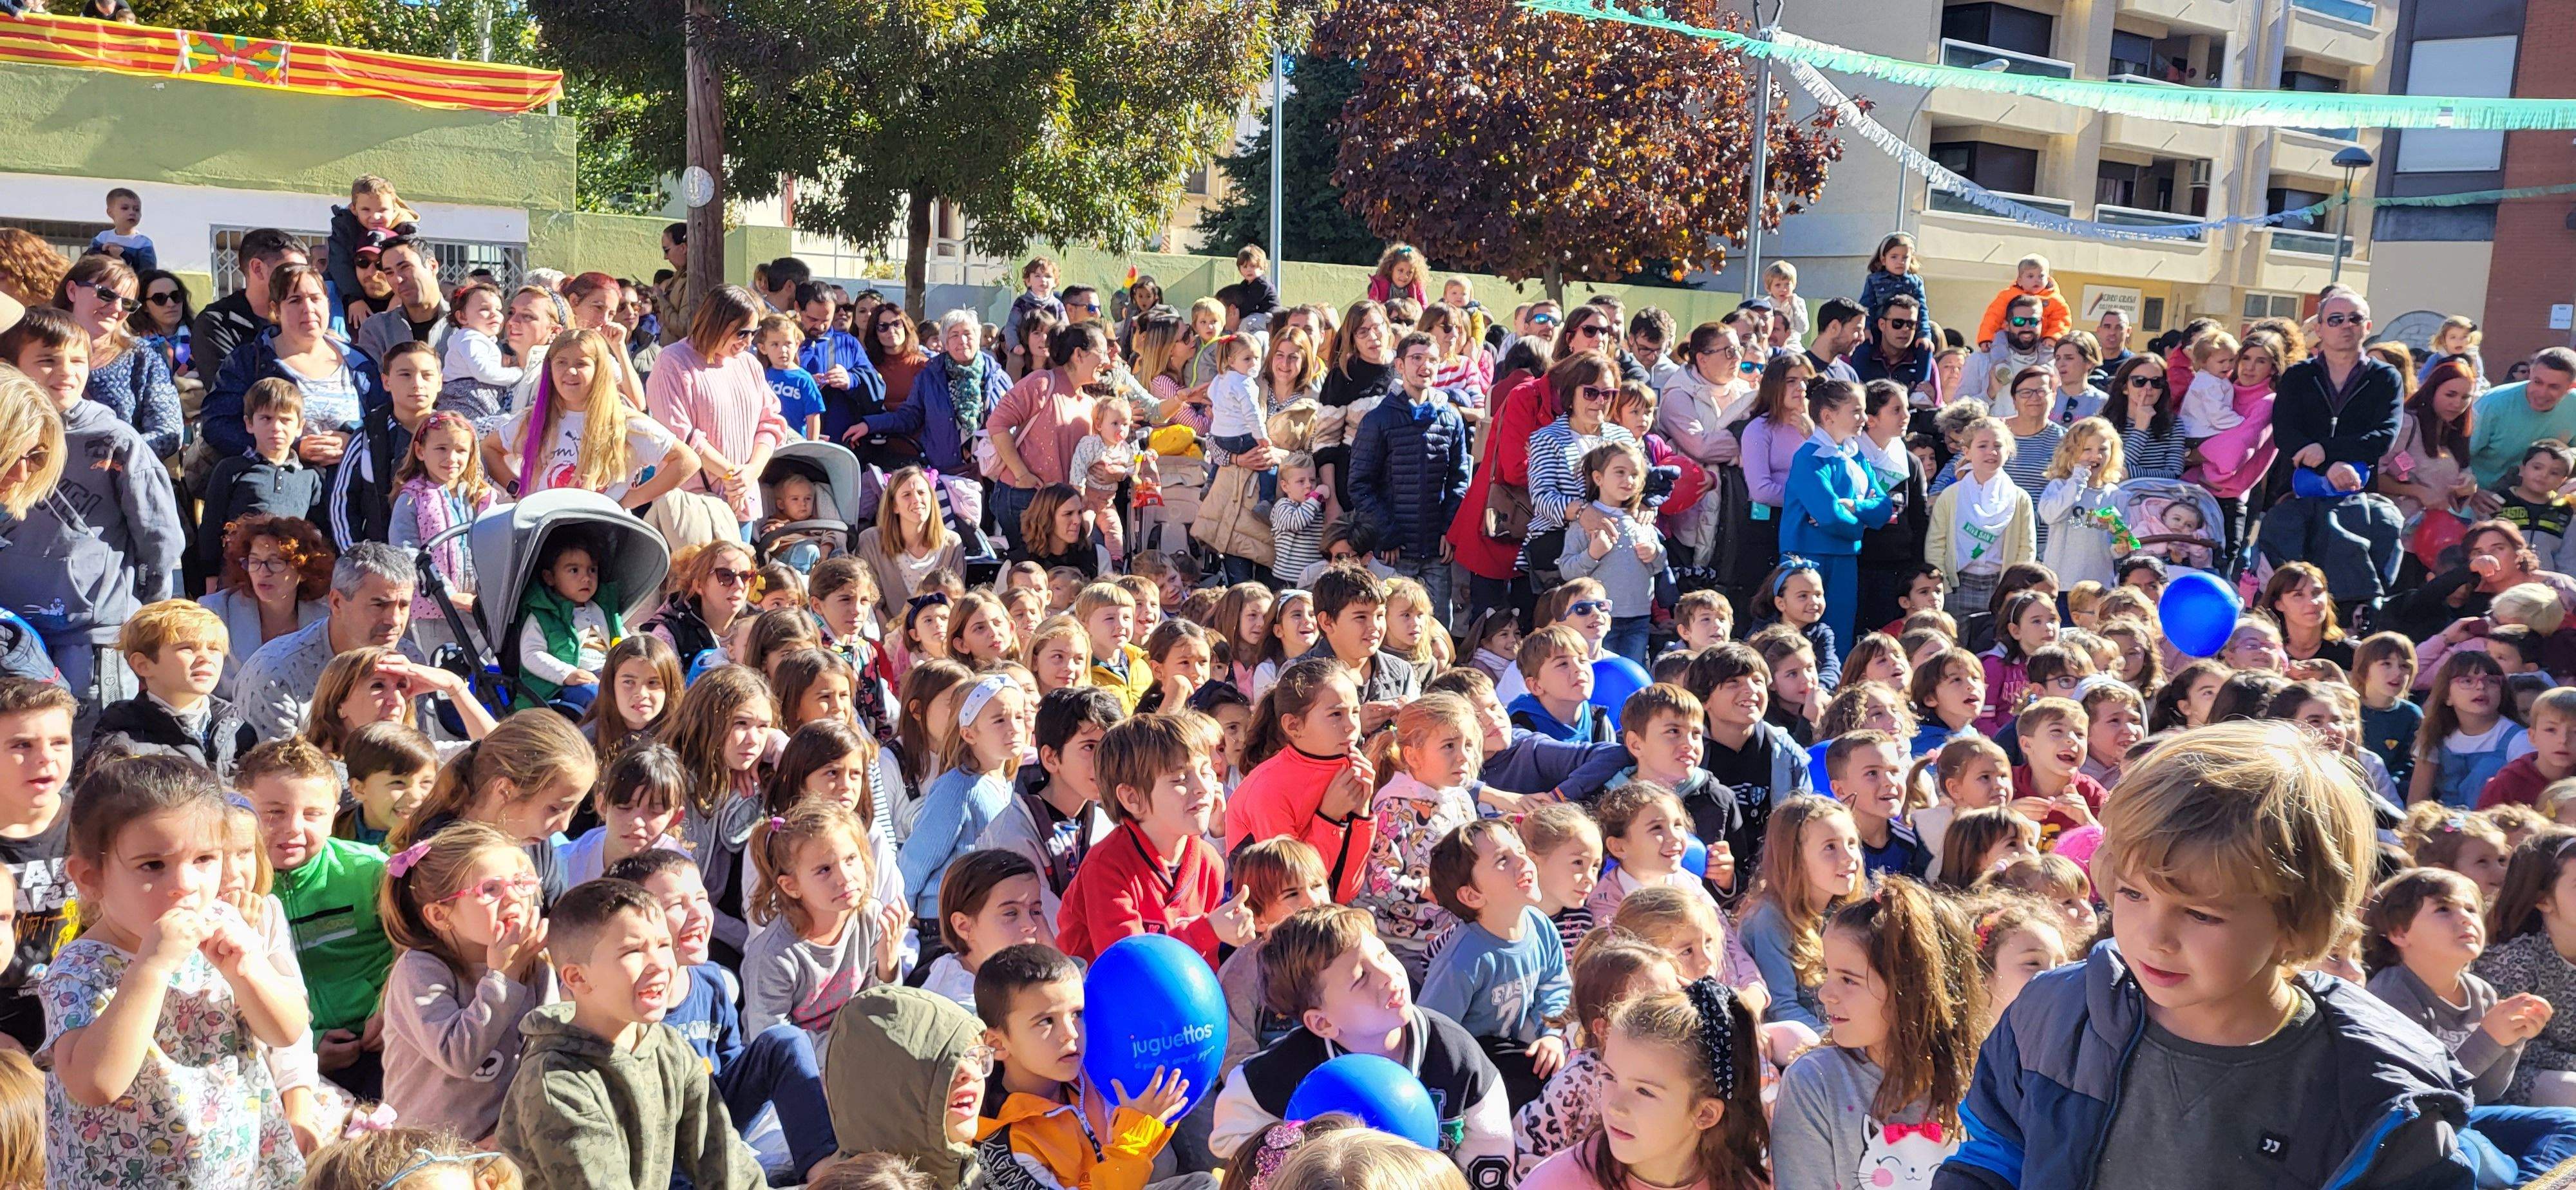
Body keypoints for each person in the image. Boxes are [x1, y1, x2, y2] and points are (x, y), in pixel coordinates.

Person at [1937, 722, 2480, 1189]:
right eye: (2132, 894)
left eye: (2201, 913)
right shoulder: (2052, 1019)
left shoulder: (2376, 1100)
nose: (2155, 937)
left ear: (2296, 921)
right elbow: (1995, 1155)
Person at [42, 757, 308, 1185]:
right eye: (153, 865)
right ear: (91, 878)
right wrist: (150, 969)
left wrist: (248, 972)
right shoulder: (81, 968)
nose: (185, 883)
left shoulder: (226, 923)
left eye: (205, 858)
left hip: (233, 1165)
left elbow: (287, 1030)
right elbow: (94, 1085)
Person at [495, 877, 766, 1189]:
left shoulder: (668, 1049)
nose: (659, 965)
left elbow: (726, 1165)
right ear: (577, 978)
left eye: (664, 945)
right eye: (633, 951)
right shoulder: (556, 1081)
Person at [1210, 904, 1511, 1175]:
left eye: (1382, 954)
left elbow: (1492, 1150)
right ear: (1322, 1022)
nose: (1387, 974)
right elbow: (1230, 1133)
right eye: (1361, 977)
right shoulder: (1291, 1068)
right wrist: (1291, 1162)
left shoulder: (1454, 1053)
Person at [610, 847, 838, 1182]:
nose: (698, 914)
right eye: (676, 905)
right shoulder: (632, 1004)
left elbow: (730, 1061)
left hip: (716, 1113)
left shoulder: (712, 980)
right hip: (666, 1141)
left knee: (785, 1041)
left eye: (701, 898)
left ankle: (823, 1171)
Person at [0, 319, 183, 734]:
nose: (66, 372)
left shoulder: (115, 438)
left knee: (89, 750)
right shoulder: (4, 435)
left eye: (78, 361)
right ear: (10, 365)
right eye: (47, 361)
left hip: (90, 631)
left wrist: (147, 615)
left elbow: (159, 534)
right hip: (11, 629)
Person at [1773, 877, 1983, 1190]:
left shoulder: (1983, 1081)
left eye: (1848, 980)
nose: (1824, 994)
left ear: (1911, 990)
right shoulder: (1815, 1083)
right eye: (1828, 972)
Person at [237, 737, 395, 1100]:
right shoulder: (231, 885)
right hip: (287, 1055)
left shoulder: (369, 871)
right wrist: (312, 1042)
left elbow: (415, 945)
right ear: (241, 806)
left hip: (380, 1043)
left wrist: (389, 1005)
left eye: (313, 814)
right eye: (274, 812)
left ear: (335, 813)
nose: (294, 828)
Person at [967, 942, 1196, 1190]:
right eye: (1046, 1021)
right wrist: (1135, 1141)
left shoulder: (1088, 1075)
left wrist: (1153, 1115)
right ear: (998, 1044)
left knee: (1202, 1185)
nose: (1071, 1033)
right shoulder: (1008, 1144)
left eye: (1077, 1014)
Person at [1515, 981, 1766, 1190]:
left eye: (1644, 1091)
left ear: (1705, 1114)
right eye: (1610, 1077)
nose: (1615, 1107)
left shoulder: (1743, 1184)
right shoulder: (1555, 1184)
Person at [1054, 712, 1255, 966]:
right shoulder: (1106, 866)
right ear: (1132, 798)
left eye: (1206, 772)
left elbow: (1207, 968)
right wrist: (1208, 930)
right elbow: (1130, 966)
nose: (1203, 787)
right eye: (1181, 778)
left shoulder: (1209, 863)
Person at [205, 261, 386, 485]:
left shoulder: (359, 364)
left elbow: (387, 423)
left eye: (316, 299)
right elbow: (217, 424)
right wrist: (290, 446)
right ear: (276, 310)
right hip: (280, 494)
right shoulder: (250, 362)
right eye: (295, 300)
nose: (308, 309)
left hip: (353, 496)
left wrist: (357, 443)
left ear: (328, 305)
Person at [231, 542, 421, 743]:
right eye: (379, 605)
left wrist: (454, 687)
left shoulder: (410, 659)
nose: (395, 620)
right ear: (337, 602)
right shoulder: (275, 674)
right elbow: (268, 769)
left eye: (403, 606)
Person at [648, 286, 792, 527]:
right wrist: (734, 476)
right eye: (742, 333)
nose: (748, 342)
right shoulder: (672, 361)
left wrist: (750, 473)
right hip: (691, 506)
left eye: (753, 333)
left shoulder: (750, 364)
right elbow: (679, 437)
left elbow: (771, 423)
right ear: (715, 323)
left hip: (742, 501)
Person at [1781, 379, 1895, 650]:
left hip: (1844, 556)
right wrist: (1861, 526)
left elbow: (1884, 506)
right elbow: (1830, 514)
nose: (1864, 418)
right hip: (1807, 558)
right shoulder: (1809, 457)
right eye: (1856, 411)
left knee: (1838, 637)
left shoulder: (1855, 456)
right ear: (1828, 416)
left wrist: (1855, 508)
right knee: (1801, 638)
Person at [88, 599, 257, 782]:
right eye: (187, 648)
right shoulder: (122, 743)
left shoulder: (238, 729)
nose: (205, 658)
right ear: (143, 665)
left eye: (214, 648)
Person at [1736, 795, 1862, 1030]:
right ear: (1795, 859)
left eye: (1852, 843)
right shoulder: (1768, 921)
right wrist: (1844, 1045)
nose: (1849, 858)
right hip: (1807, 1049)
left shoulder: (1847, 913)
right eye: (1830, 847)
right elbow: (1781, 1011)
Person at [55, 253, 180, 457]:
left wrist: (112, 457)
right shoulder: (35, 347)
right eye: (106, 294)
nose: (116, 308)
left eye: (128, 303)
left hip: (117, 480)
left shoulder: (143, 357)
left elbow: (167, 433)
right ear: (72, 291)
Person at [199, 379, 326, 578]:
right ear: (249, 423)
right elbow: (211, 528)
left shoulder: (311, 478)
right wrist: (210, 579)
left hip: (289, 577)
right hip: (238, 575)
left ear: (300, 427)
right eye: (266, 418)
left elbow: (319, 535)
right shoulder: (231, 469)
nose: (276, 427)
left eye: (285, 420)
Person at [193, 227, 307, 390]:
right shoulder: (217, 323)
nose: (302, 280)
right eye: (292, 271)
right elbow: (230, 391)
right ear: (258, 269)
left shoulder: (304, 315)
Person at [2471, 349, 2576, 493]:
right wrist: (2473, 493)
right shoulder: (2493, 404)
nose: (2542, 393)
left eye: (2554, 387)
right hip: (2484, 497)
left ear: (2570, 387)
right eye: (2538, 382)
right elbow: (2457, 453)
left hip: (2542, 501)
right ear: (2530, 374)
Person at [350, 239, 451, 366]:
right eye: (390, 273)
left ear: (433, 266)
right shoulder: (377, 329)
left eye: (405, 267)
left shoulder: (464, 323)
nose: (398, 279)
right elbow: (369, 380)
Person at [1003, 258, 1065, 381]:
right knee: (1015, 360)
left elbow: (1064, 328)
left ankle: (1060, 388)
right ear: (1028, 281)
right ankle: (1011, 391)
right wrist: (1015, 345)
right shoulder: (1022, 303)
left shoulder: (1057, 305)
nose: (1043, 280)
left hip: (1049, 347)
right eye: (1037, 276)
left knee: (1060, 363)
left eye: (1048, 276)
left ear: (1055, 282)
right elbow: (1011, 326)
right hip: (1023, 347)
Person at [87, 187, 156, 272]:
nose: (132, 212)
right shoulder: (102, 238)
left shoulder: (143, 244)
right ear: (110, 212)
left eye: (136, 210)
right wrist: (103, 252)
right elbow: (86, 263)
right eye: (125, 208)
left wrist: (123, 255)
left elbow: (148, 275)